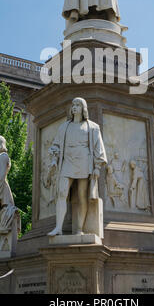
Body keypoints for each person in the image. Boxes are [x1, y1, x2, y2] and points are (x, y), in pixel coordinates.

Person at [47, 97, 107, 236]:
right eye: (73, 105)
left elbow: (99, 148)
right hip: (67, 162)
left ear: (83, 108)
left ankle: (79, 229)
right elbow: (56, 145)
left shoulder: (92, 127)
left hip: (84, 163)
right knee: (61, 193)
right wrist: (54, 158)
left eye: (78, 105)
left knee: (82, 196)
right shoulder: (64, 127)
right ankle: (58, 228)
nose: (74, 107)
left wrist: (97, 167)